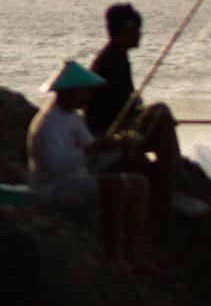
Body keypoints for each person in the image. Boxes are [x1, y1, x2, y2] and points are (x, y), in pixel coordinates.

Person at [27, 61, 161, 275]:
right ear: (70, 92)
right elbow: (56, 167)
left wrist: (116, 146)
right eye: (84, 90)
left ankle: (135, 255)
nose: (88, 96)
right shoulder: (48, 124)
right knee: (114, 184)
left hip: (77, 180)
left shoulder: (74, 119)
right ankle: (113, 255)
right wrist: (91, 149)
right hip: (53, 189)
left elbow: (92, 156)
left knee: (139, 184)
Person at [88, 2, 208, 217]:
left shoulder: (117, 56)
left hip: (114, 127)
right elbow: (116, 112)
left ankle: (177, 179)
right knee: (160, 114)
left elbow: (129, 105)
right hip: (106, 135)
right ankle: (171, 193)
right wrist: (150, 120)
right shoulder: (110, 62)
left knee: (160, 115)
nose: (140, 34)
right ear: (126, 28)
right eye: (137, 28)